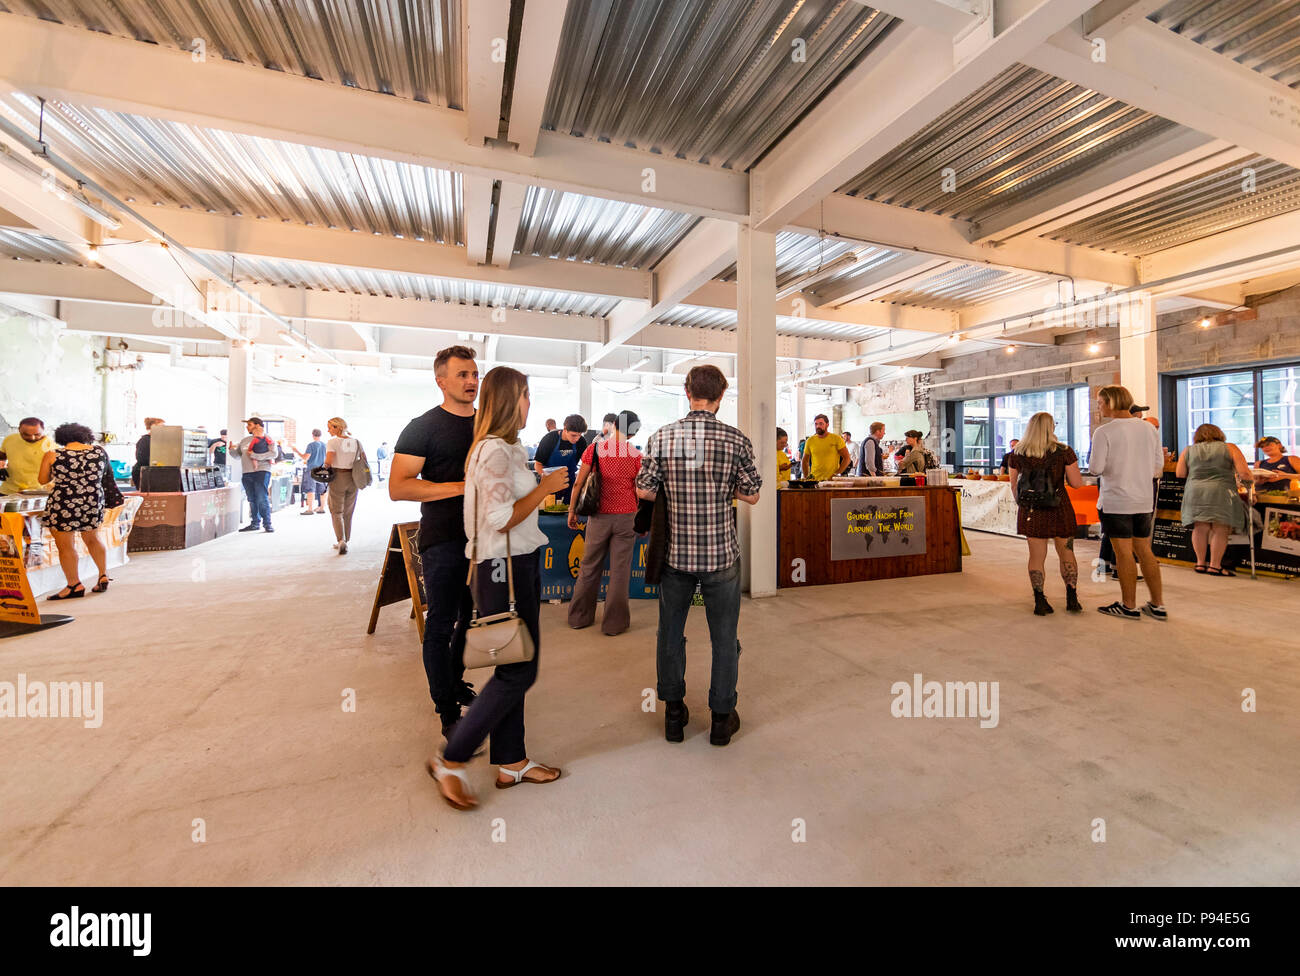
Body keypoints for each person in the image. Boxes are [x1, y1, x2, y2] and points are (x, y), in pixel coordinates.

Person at [428, 366, 568, 810]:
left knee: (515, 665)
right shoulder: (494, 452)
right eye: (527, 396)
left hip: (515, 564)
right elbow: (498, 519)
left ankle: (512, 762)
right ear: (512, 399)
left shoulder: (507, 448)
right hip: (500, 570)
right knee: (518, 671)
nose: (531, 404)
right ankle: (450, 760)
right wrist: (544, 488)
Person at [636, 365, 761, 748]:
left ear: (687, 391)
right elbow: (753, 493)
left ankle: (674, 714)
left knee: (670, 634)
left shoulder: (662, 437)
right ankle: (721, 718)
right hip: (721, 555)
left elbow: (644, 490)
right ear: (721, 395)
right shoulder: (736, 440)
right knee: (725, 638)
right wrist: (720, 489)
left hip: (675, 556)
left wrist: (678, 491)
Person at [391, 346, 481, 738]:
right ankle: (446, 711)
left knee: (472, 618)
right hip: (443, 539)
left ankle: (453, 681)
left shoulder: (490, 425)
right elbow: (399, 487)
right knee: (441, 623)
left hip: (484, 541)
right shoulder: (422, 427)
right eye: (462, 374)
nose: (471, 381)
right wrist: (461, 487)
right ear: (441, 380)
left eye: (475, 374)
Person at [1089, 385, 1166, 620]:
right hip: (1143, 499)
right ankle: (1157, 604)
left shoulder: (1104, 432)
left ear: (1111, 402)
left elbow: (1095, 469)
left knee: (1123, 553)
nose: (1098, 407)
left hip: (1116, 500)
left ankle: (1128, 605)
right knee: (1144, 550)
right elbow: (1157, 467)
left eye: (1100, 402)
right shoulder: (1148, 429)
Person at [568, 410, 642, 636]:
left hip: (598, 516)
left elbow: (579, 483)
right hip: (627, 517)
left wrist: (572, 511)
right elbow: (639, 490)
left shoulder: (596, 449)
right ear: (633, 433)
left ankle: (579, 618)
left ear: (614, 425)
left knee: (589, 566)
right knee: (620, 571)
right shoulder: (636, 456)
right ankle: (614, 624)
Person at [1006, 413, 1083, 615]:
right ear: (1051, 428)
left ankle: (1040, 600)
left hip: (1032, 509)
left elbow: (1014, 485)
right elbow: (1077, 483)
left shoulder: (1017, 453)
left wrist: (1023, 504)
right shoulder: (1064, 451)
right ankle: (1072, 598)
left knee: (1036, 556)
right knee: (1066, 552)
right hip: (1060, 507)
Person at [38, 422, 111, 599]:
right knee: (93, 538)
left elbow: (42, 480)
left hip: (63, 502)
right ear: (86, 435)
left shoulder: (53, 454)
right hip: (92, 500)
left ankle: (74, 585)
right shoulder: (100, 451)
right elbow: (106, 476)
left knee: (65, 546)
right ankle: (102, 575)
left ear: (61, 438)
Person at [1176, 424, 1252, 576]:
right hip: (1221, 490)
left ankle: (1200, 564)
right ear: (1219, 433)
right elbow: (1244, 473)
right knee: (1220, 528)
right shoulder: (1230, 448)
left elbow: (1180, 473)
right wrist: (1250, 485)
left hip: (1195, 491)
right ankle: (1215, 566)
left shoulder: (1188, 450)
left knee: (1200, 527)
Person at [229, 417, 277, 533]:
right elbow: (238, 456)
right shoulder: (245, 440)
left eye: (249, 424)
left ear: (258, 426)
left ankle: (267, 524)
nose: (247, 427)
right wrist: (231, 450)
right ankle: (255, 523)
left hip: (262, 471)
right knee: (252, 498)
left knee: (261, 497)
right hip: (247, 472)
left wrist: (256, 456)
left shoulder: (267, 438)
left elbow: (274, 454)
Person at [532, 414, 587, 504]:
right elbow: (537, 464)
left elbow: (585, 463)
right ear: (565, 429)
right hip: (549, 483)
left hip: (570, 483)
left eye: (579, 435)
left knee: (568, 511)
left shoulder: (581, 442)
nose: (577, 439)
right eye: (573, 435)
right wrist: (548, 478)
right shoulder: (549, 439)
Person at [324, 417, 358, 554]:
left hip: (338, 477)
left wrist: (323, 468)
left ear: (338, 428)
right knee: (348, 511)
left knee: (336, 510)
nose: (328, 430)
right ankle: (346, 540)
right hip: (354, 478)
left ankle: (341, 540)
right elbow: (363, 459)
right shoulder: (355, 441)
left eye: (330, 427)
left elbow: (329, 461)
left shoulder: (332, 442)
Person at [0, 417, 53, 495]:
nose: (32, 438)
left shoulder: (51, 447)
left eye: (37, 434)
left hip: (36, 493)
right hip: (8, 491)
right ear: (19, 430)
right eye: (26, 435)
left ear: (43, 430)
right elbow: (2, 456)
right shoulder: (10, 439)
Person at [802, 414, 850, 482]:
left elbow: (847, 458)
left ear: (827, 425)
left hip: (831, 481)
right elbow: (804, 461)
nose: (818, 426)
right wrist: (806, 477)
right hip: (814, 480)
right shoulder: (810, 440)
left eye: (821, 424)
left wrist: (836, 474)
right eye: (816, 424)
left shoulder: (836, 439)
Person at [294, 429, 328, 515]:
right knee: (322, 490)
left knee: (310, 490)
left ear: (313, 435)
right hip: (322, 470)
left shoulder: (311, 445)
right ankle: (321, 508)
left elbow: (305, 458)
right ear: (320, 435)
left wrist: (296, 451)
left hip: (312, 470)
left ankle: (310, 509)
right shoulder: (325, 445)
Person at [131, 417, 164, 489]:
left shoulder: (158, 441)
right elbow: (142, 458)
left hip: (152, 472)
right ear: (152, 427)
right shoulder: (145, 440)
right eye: (161, 427)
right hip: (143, 472)